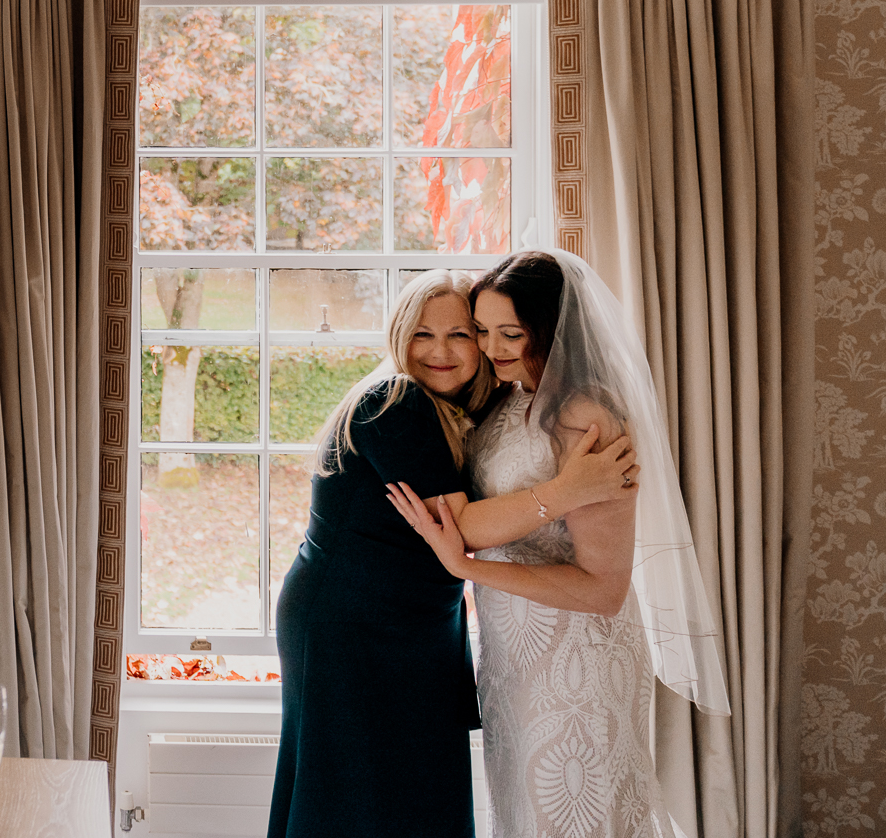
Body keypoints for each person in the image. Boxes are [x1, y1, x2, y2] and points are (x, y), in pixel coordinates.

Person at [267, 270, 638, 838]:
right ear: (399, 336)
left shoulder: (475, 409)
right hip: (354, 623)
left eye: (462, 335)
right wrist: (568, 490)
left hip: (413, 620)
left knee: (414, 791)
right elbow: (457, 527)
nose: (441, 352)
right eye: (422, 334)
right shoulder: (395, 400)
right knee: (356, 795)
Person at [388, 250, 731, 838]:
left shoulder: (585, 416)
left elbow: (603, 590)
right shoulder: (507, 400)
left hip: (577, 661)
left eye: (511, 333)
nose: (492, 348)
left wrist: (464, 566)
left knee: (572, 817)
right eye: (484, 331)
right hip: (512, 659)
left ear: (548, 329)